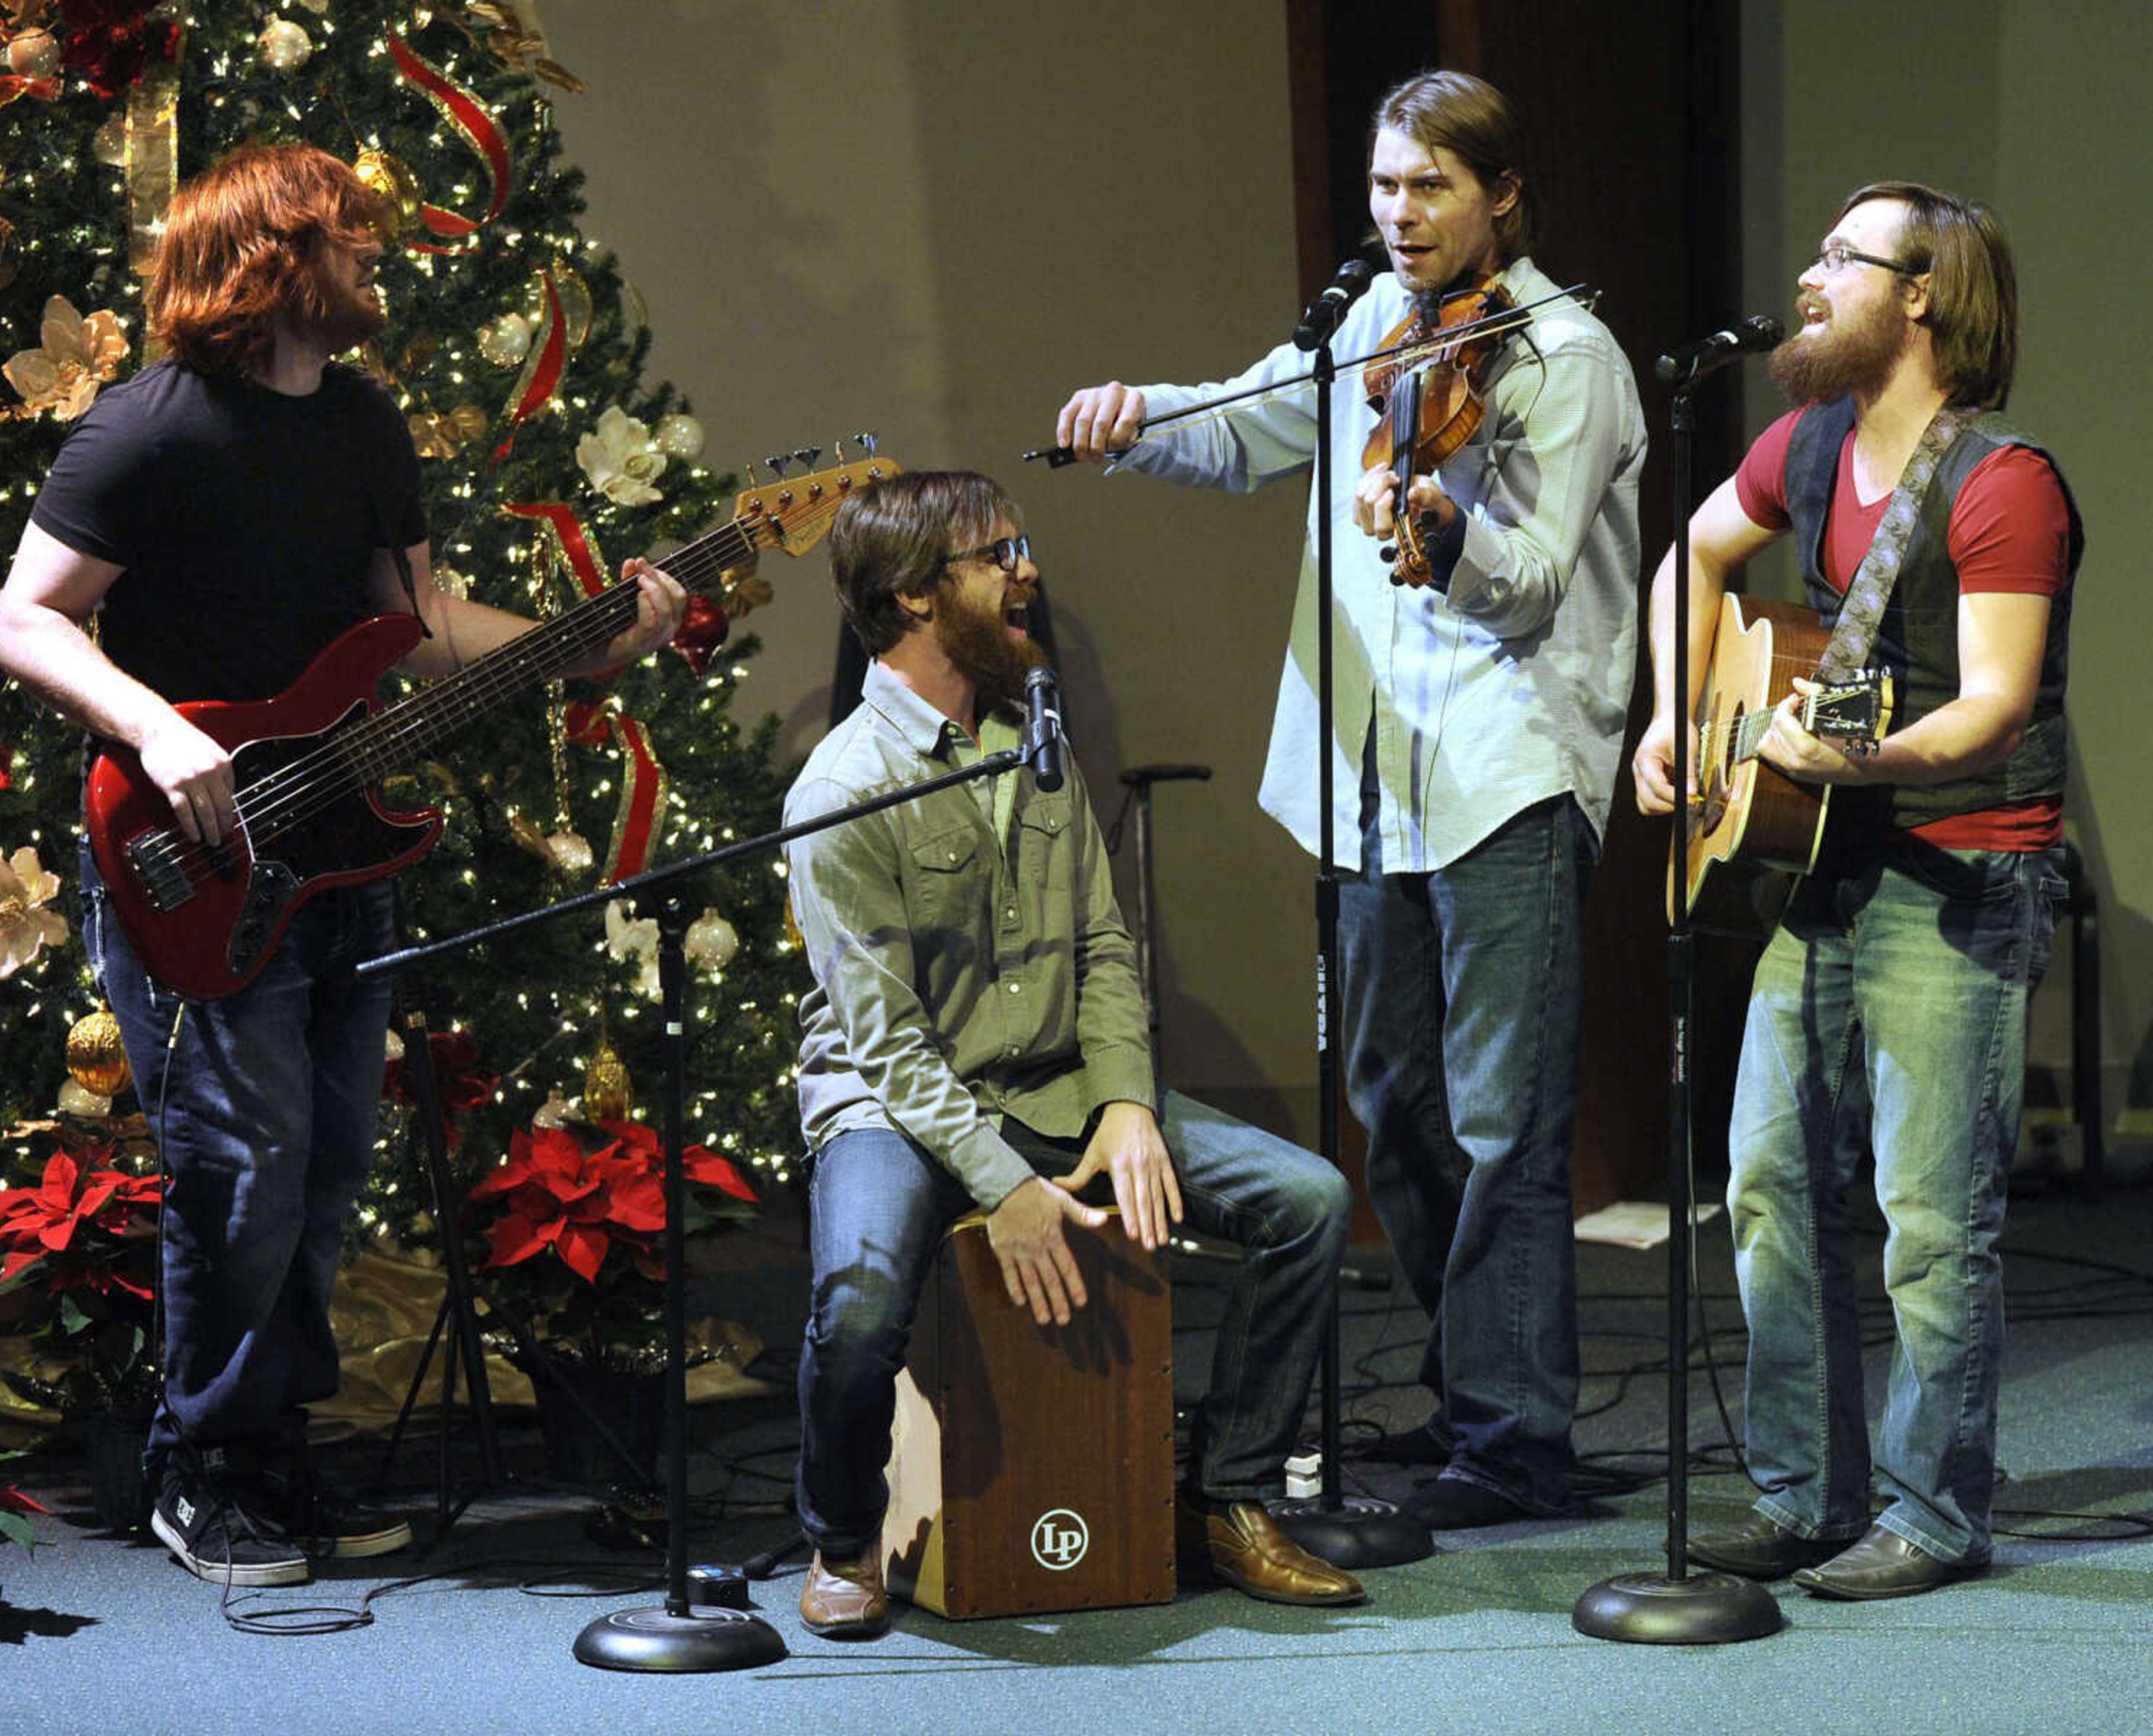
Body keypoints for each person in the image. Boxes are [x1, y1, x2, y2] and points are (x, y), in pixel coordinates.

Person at [0, 143, 686, 1588]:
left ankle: (273, 1459)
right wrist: (160, 731)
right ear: (272, 256)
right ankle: (203, 1469)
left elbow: (414, 624)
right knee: (241, 1162)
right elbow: (24, 622)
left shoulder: (364, 424)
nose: (376, 252)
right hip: (185, 851)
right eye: (349, 236)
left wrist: (598, 638)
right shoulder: (148, 427)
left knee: (325, 1163)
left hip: (338, 846)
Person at [1053, 70, 1644, 1530]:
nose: (1399, 212)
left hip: (1507, 766)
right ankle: (1466, 1399)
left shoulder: (1565, 357)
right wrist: (1133, 420)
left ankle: (1515, 1440)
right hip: (1376, 777)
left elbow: (1530, 580)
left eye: (1429, 186)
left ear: (1500, 196)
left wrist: (1445, 533)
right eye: (1385, 186)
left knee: (1506, 1118)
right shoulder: (1372, 328)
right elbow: (1247, 424)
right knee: (1396, 1105)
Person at [783, 470, 1362, 1637]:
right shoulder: (841, 788)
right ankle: (842, 1534)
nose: (1028, 570)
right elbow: (889, 1049)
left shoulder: (1031, 742)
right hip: (896, 1107)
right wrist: (1004, 1189)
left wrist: (1127, 1105)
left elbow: (1102, 943)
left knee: (1307, 1200)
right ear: (908, 599)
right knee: (856, 1310)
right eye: (997, 553)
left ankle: (1230, 1496)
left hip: (1053, 1080)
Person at [1631, 183, 2079, 1600]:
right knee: (1767, 1186)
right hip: (1829, 864)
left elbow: (1996, 706)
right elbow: (1693, 555)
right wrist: (1675, 714)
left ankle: (1935, 1513)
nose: (1811, 277)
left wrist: (1854, 755)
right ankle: (1803, 1493)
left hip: (1961, 865)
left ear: (1926, 293)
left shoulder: (2005, 482)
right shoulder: (1807, 443)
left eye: (1843, 258)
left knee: (1931, 1219)